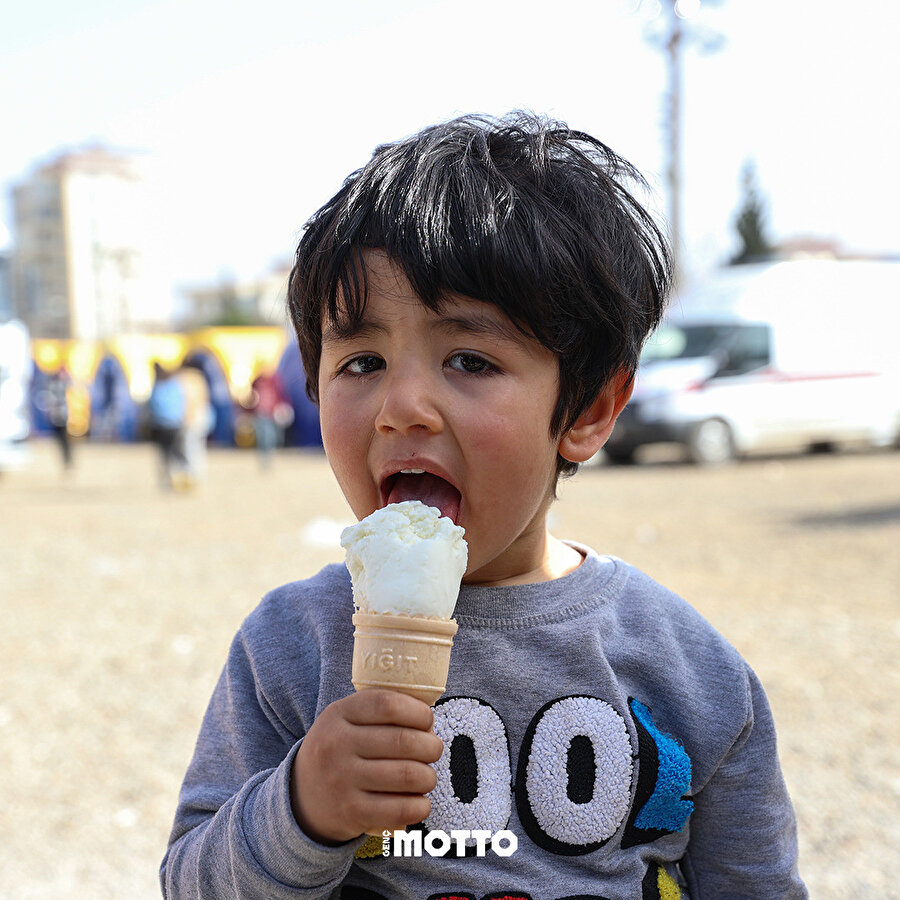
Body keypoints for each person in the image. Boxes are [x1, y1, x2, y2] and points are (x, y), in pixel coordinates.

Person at [161, 113, 806, 898]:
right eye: (361, 361)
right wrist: (299, 807)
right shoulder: (291, 649)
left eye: (469, 359)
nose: (403, 406)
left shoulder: (686, 671)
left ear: (590, 410)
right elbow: (191, 882)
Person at [147, 362, 186, 490]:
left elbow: (153, 406)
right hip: (174, 424)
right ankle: (177, 479)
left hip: (162, 424)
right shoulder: (175, 385)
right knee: (176, 453)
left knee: (165, 454)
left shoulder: (158, 386)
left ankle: (171, 479)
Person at [174, 358, 213, 486]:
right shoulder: (199, 377)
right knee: (198, 447)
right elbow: (205, 397)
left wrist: (187, 416)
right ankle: (198, 474)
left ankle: (190, 475)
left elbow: (188, 400)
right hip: (203, 415)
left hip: (190, 417)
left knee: (187, 447)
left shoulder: (183, 378)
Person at [248, 364, 293, 468]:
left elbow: (281, 395)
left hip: (271, 413)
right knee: (262, 437)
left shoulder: (274, 381)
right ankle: (264, 459)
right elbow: (251, 395)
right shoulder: (257, 381)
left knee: (271, 437)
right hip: (260, 412)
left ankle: (268, 458)